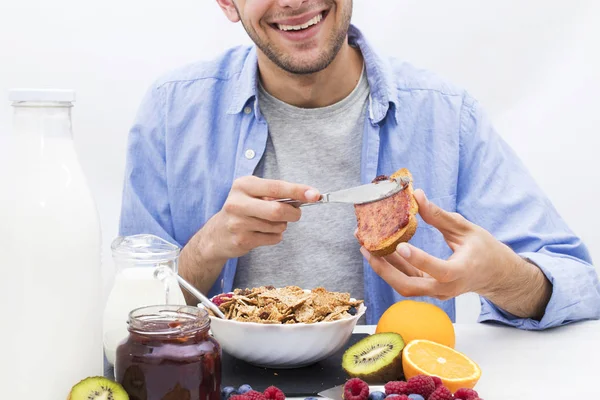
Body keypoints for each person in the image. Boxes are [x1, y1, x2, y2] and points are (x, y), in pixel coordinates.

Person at [118, 0, 600, 328]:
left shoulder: (446, 115)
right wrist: (206, 249)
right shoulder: (172, 112)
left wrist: (499, 276)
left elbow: (579, 283)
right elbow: (126, 319)